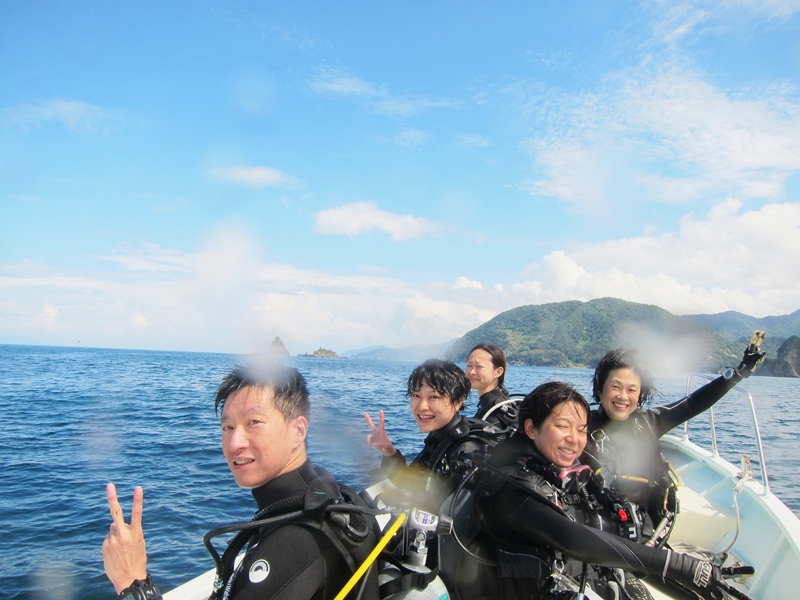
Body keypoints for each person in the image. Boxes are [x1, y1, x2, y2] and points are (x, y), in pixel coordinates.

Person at [102, 362, 379, 600]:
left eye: (254, 422)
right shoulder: (321, 491)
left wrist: (133, 583)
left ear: (298, 431)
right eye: (228, 427)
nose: (234, 443)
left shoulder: (299, 542)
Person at [447, 382, 747, 600]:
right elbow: (573, 539)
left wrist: (685, 576)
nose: (574, 439)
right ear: (530, 428)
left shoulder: (558, 473)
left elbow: (608, 539)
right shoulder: (507, 487)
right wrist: (677, 565)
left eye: (581, 429)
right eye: (562, 426)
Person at [584, 331, 766, 544]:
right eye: (615, 387)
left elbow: (693, 403)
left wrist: (739, 372)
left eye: (631, 389)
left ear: (640, 393)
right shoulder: (581, 425)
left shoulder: (650, 422)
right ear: (600, 387)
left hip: (651, 524)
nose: (623, 397)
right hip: (600, 525)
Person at [364, 359, 502, 514]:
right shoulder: (441, 438)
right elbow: (409, 484)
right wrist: (389, 453)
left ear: (457, 402)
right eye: (416, 395)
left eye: (433, 397)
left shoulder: (466, 451)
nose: (422, 406)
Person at [466, 343, 516, 430]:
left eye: (479, 366)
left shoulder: (493, 413)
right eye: (469, 365)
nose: (472, 372)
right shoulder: (492, 404)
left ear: (498, 372)